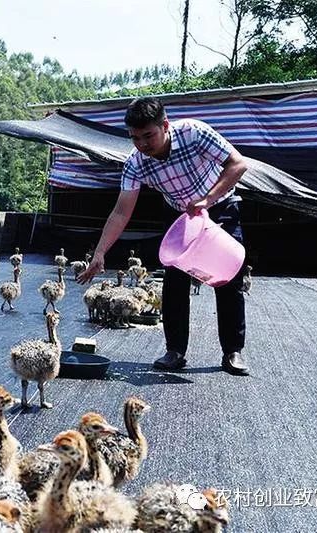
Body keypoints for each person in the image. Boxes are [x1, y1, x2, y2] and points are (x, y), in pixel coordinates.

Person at [78, 97, 250, 376]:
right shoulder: (135, 163)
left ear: (165, 125)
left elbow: (238, 165)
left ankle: (232, 351)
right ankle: (175, 351)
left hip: (218, 205)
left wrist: (207, 200)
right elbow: (121, 212)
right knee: (174, 281)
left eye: (149, 136)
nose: (143, 144)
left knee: (228, 278)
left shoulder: (194, 133)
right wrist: (100, 253)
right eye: (135, 138)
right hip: (181, 214)